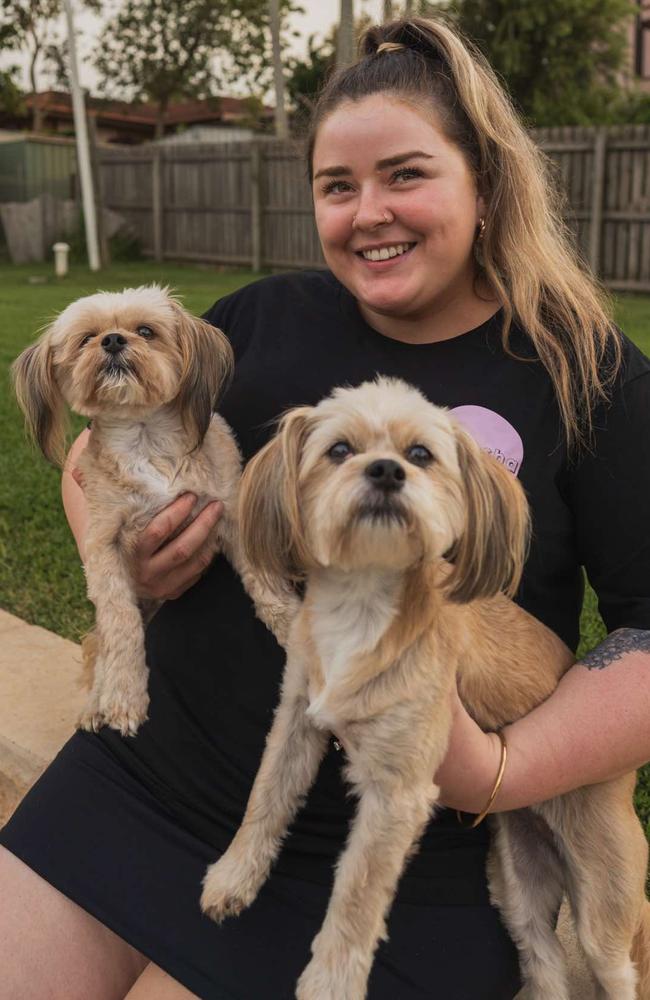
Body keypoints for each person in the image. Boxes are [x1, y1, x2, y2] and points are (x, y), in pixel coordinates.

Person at [2, 15, 650, 1000]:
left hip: (395, 857)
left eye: (404, 174)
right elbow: (97, 452)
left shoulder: (585, 374)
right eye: (335, 187)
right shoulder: (258, 319)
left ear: (483, 176)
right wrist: (121, 558)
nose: (366, 213)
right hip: (146, 779)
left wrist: (501, 772)